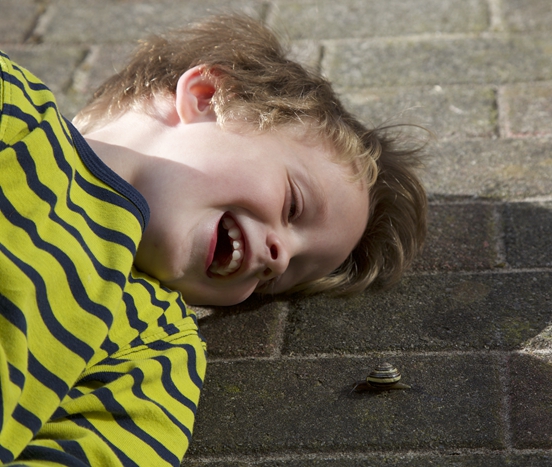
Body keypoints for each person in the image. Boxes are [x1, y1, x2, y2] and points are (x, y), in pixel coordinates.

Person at [0, 14, 427, 466]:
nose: (279, 260)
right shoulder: (17, 112)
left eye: (275, 283)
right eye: (293, 206)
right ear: (207, 97)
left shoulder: (155, 344)